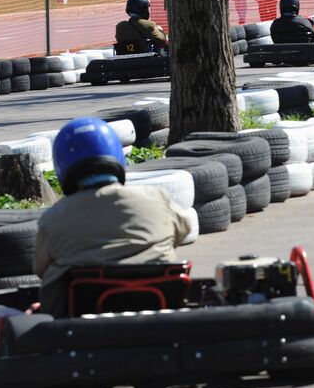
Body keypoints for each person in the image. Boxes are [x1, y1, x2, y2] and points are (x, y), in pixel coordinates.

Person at [34, 118, 194, 318]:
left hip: (81, 328)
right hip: (160, 313)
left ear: (61, 163)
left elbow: (40, 268)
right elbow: (184, 228)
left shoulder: (53, 219)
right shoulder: (155, 198)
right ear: (116, 154)